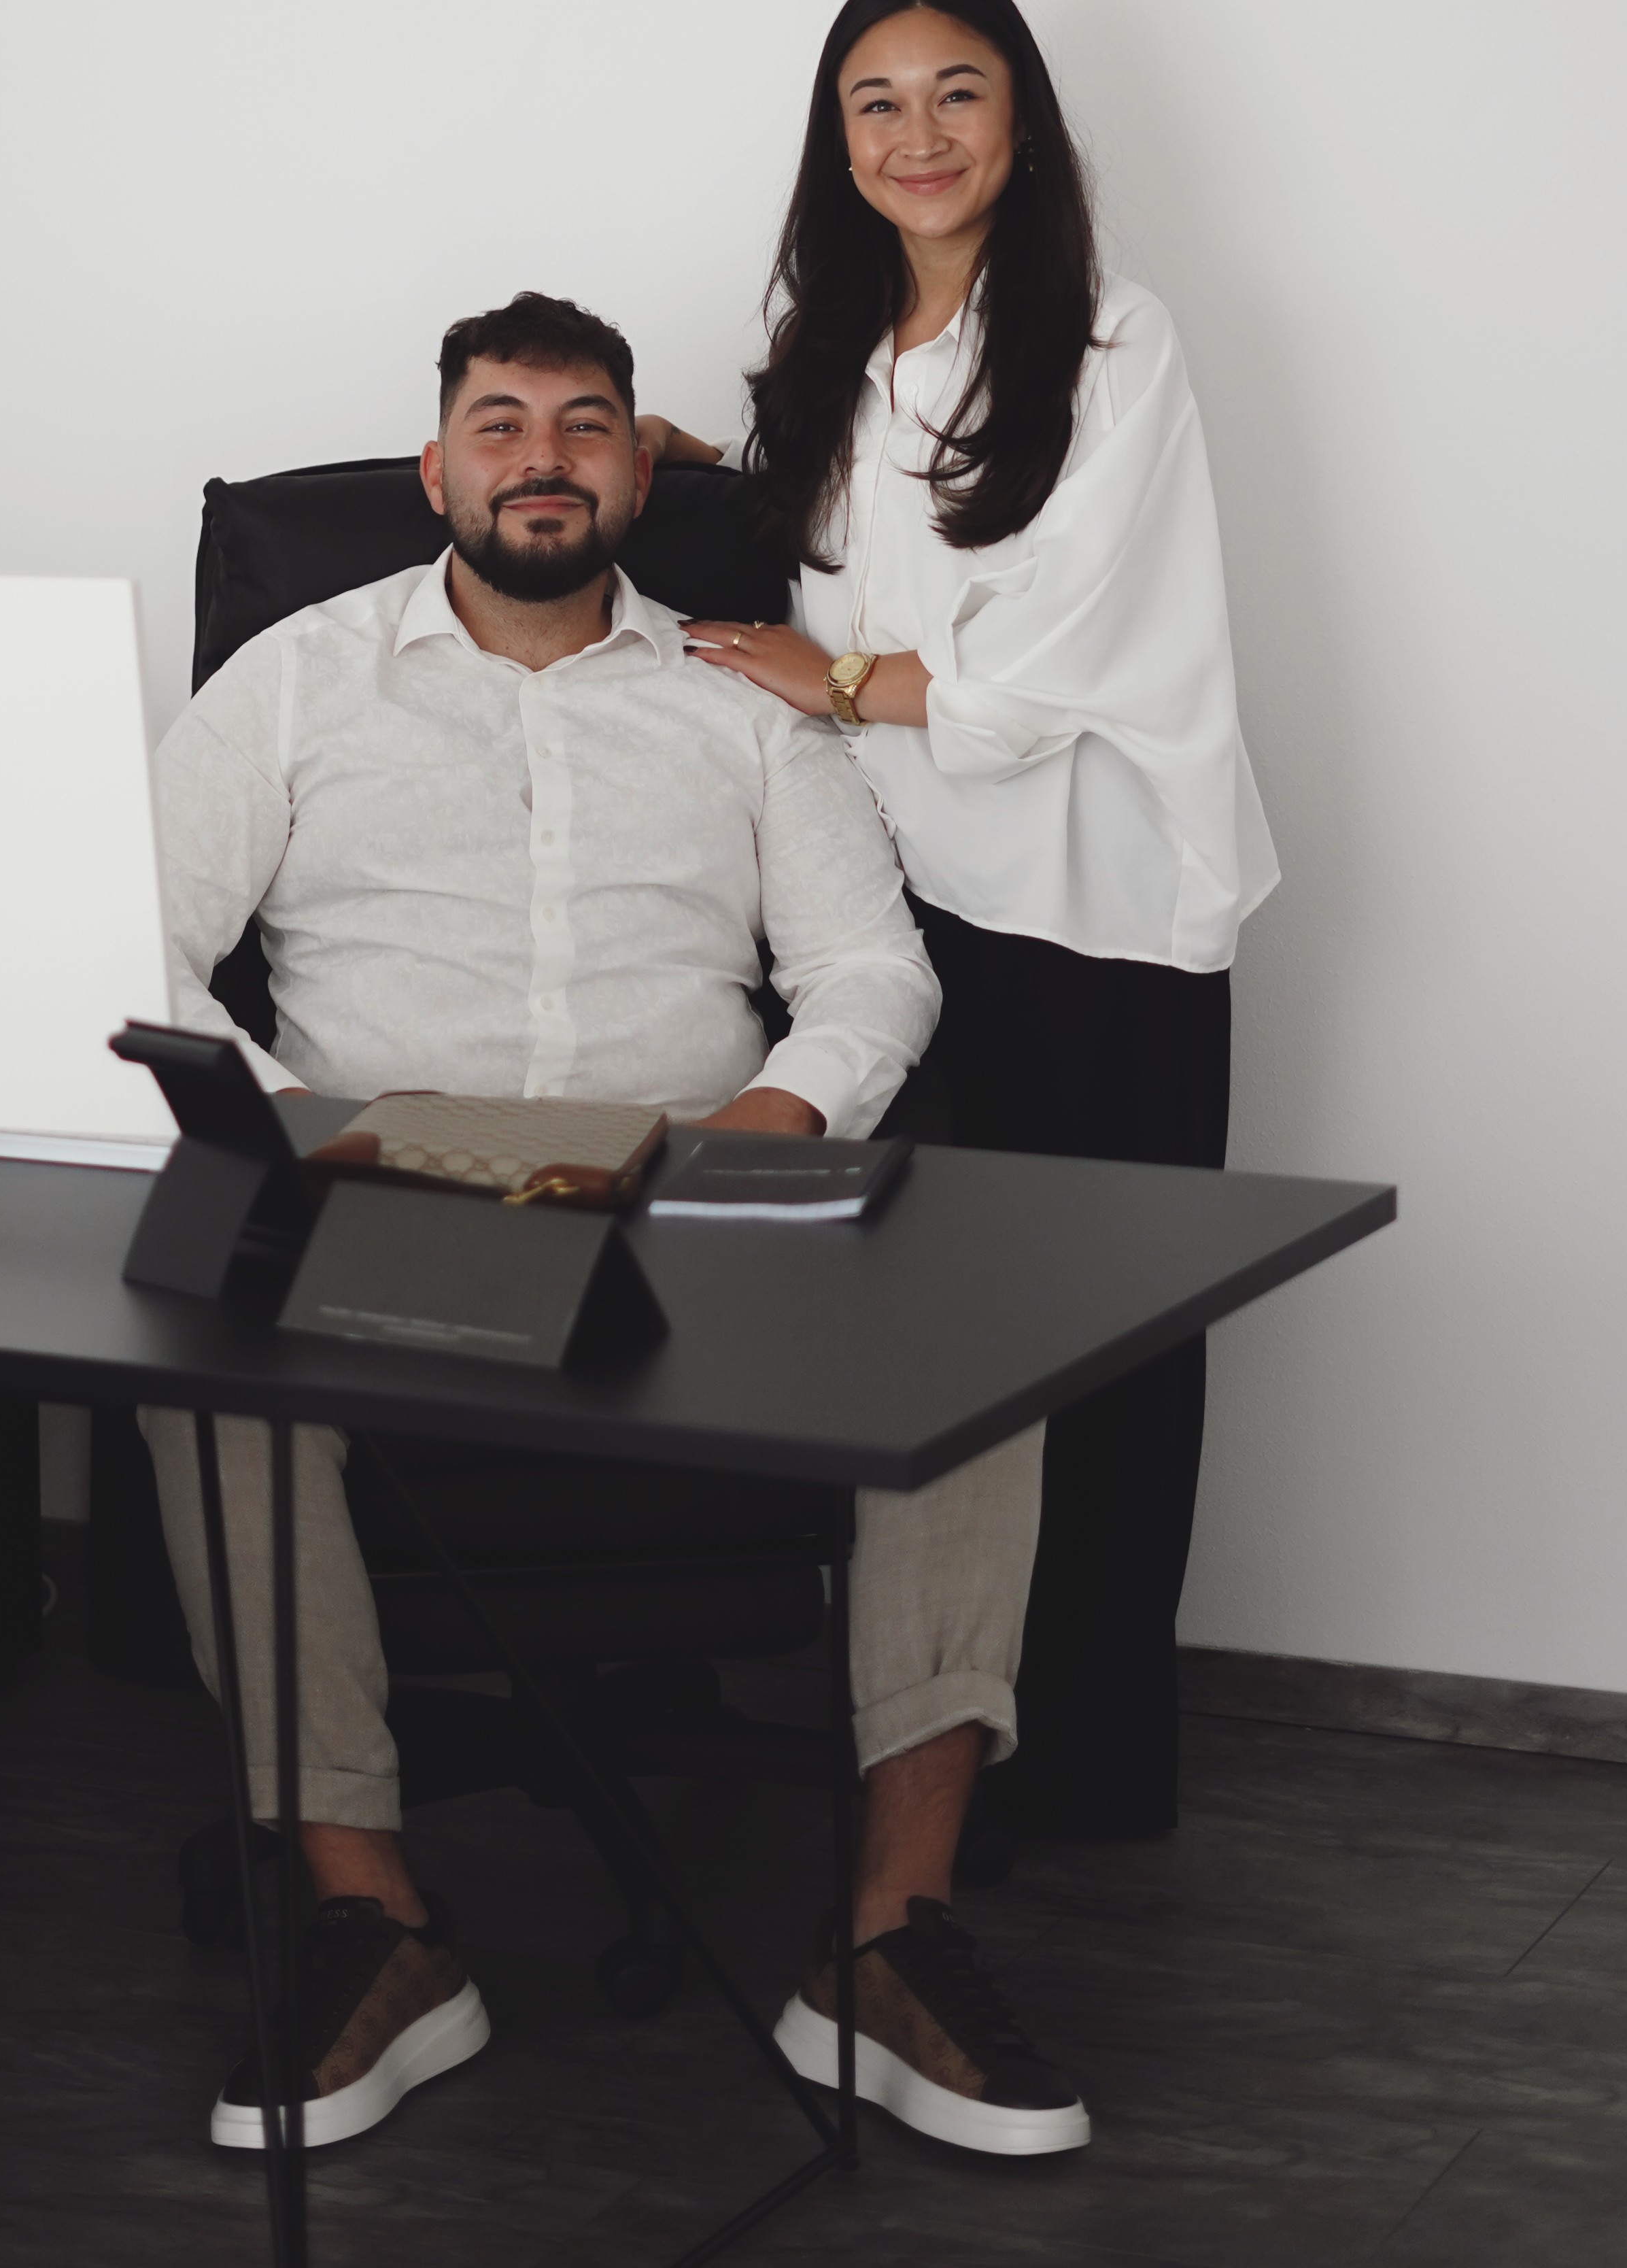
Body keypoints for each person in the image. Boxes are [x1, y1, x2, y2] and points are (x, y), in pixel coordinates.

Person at [140, 290, 1087, 2167]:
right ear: (437, 468)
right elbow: (139, 942)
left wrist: (752, 1136)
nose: (543, 459)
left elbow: (868, 980)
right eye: (501, 423)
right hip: (381, 1190)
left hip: (691, 1196)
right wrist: (289, 1131)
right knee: (195, 1361)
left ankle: (888, 1944)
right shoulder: (298, 681)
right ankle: (374, 1920)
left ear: (639, 472)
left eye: (586, 427)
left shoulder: (746, 696)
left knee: (982, 1360)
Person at [643, 0, 1278, 1850]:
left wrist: (837, 684)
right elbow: (836, 558)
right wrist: (707, 472)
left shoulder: (1108, 342)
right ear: (837, 142)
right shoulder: (834, 348)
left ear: (1023, 121)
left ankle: (1086, 1761)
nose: (917, 138)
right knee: (921, 1336)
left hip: (1087, 915)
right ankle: (930, 1741)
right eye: (877, 104)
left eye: (957, 94)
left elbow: (1059, 657)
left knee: (1100, 1339)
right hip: (895, 912)